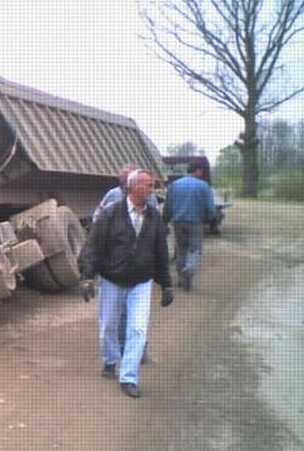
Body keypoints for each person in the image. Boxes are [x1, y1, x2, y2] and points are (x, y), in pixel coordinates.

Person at [78, 169, 174, 399]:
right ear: (132, 187)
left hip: (141, 282)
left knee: (137, 328)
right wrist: (87, 276)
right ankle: (111, 360)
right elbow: (93, 247)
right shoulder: (111, 214)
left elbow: (161, 252)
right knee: (109, 325)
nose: (151, 190)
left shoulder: (154, 218)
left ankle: (128, 377)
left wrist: (166, 284)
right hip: (112, 280)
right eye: (147, 185)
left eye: (152, 186)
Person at [162, 162, 216, 291]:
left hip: (178, 222)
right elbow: (210, 207)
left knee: (181, 249)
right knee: (195, 249)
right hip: (195, 222)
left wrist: (165, 220)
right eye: (201, 171)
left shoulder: (174, 185)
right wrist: (210, 219)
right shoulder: (203, 186)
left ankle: (181, 277)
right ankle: (189, 270)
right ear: (197, 171)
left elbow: (168, 205)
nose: (202, 174)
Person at [91, 163, 158, 224]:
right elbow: (97, 215)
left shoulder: (150, 197)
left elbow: (156, 221)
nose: (124, 185)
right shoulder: (113, 194)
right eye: (122, 181)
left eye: (126, 181)